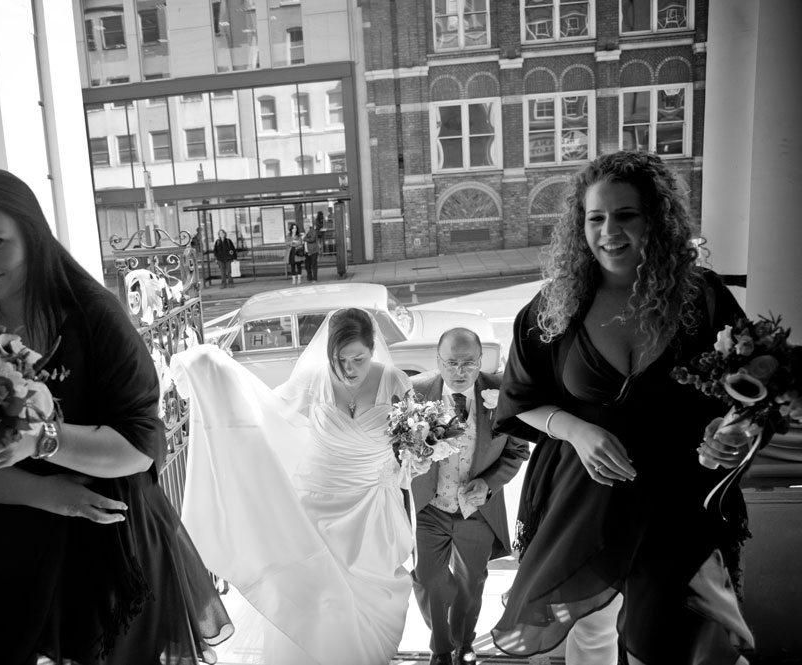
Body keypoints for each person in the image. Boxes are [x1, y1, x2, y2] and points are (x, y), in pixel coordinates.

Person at [0, 169, 232, 665]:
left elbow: (140, 445)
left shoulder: (93, 316)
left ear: (32, 234)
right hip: (1, 553)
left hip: (105, 549)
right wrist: (49, 494)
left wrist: (42, 441)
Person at [491, 151, 755, 664]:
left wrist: (735, 429)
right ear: (579, 225)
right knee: (584, 643)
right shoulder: (553, 307)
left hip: (681, 500)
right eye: (595, 218)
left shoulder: (702, 298)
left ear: (655, 219)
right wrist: (577, 431)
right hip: (584, 507)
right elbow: (520, 399)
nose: (609, 231)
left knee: (666, 645)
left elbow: (749, 388)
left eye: (626, 214)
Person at [170, 308, 415, 665]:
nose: (349, 369)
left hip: (372, 513)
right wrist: (213, 372)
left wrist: (418, 458)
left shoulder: (395, 383)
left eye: (358, 359)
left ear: (373, 349)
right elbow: (264, 410)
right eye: (340, 360)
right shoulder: (314, 380)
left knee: (372, 604)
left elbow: (409, 446)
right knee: (320, 602)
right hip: (317, 510)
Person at [410, 328, 530, 665]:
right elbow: (397, 449)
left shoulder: (501, 393)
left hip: (477, 510)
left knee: (472, 582)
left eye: (469, 363)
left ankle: (462, 644)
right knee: (428, 580)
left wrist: (488, 484)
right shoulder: (416, 392)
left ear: (481, 362)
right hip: (428, 507)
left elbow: (518, 451)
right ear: (438, 360)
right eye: (451, 363)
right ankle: (441, 647)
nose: (460, 371)